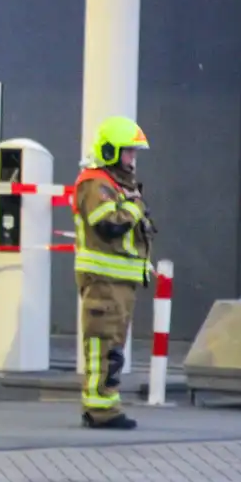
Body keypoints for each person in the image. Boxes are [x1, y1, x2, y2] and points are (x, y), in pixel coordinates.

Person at [72, 115, 155, 430]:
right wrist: (134, 209)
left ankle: (104, 403)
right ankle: (100, 409)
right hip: (105, 282)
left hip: (119, 282)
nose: (132, 159)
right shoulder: (97, 183)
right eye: (128, 151)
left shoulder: (116, 184)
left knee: (112, 347)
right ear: (110, 151)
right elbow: (108, 224)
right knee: (102, 345)